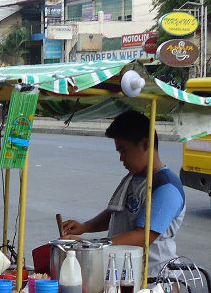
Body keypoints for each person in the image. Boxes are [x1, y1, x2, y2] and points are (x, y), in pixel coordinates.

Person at [61, 111, 186, 276]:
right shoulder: (134, 178)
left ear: (145, 144)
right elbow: (117, 213)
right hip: (125, 273)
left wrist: (90, 245)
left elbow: (143, 237)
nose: (121, 158)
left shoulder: (166, 187)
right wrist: (85, 227)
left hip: (153, 279)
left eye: (124, 151)